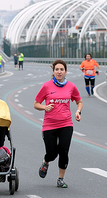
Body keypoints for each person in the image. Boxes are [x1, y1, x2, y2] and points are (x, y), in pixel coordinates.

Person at [34, 59, 83, 188]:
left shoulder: (71, 87)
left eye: (62, 69)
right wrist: (45, 107)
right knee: (52, 153)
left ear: (66, 71)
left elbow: (79, 101)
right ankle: (46, 162)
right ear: (53, 71)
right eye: (57, 69)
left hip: (66, 123)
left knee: (64, 151)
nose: (59, 72)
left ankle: (61, 178)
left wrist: (78, 111)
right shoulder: (46, 86)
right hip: (49, 125)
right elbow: (36, 104)